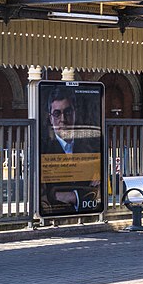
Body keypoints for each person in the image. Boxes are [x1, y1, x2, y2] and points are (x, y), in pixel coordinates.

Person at [40, 86, 102, 214]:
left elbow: (98, 191)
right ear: (50, 118)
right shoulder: (43, 150)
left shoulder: (91, 147)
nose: (63, 120)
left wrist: (70, 196)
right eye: (57, 114)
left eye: (67, 112)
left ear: (75, 113)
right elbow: (44, 195)